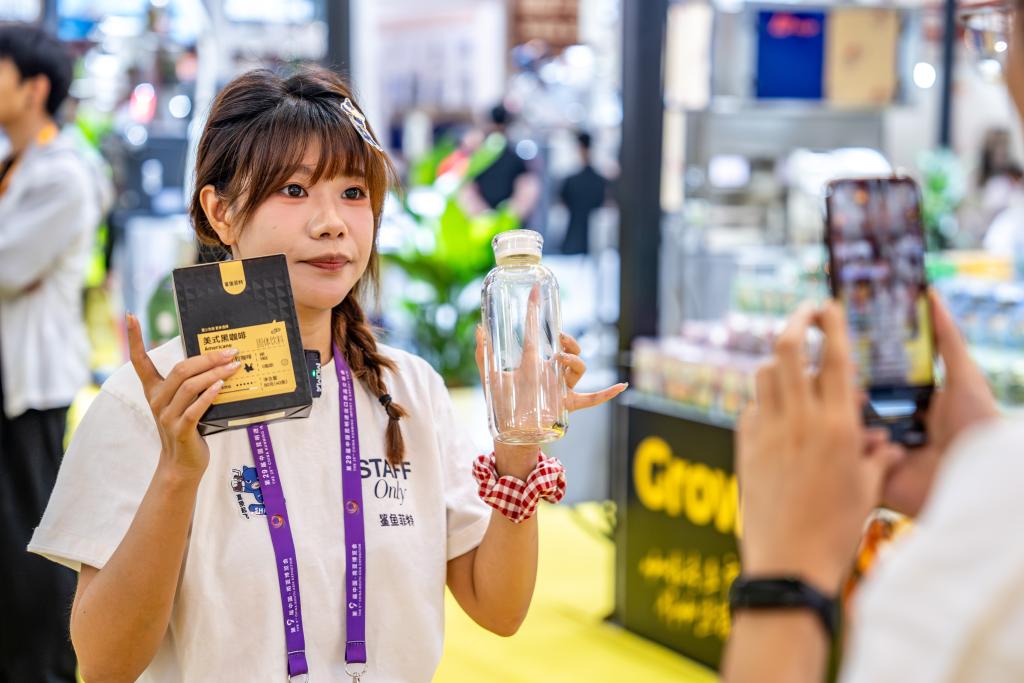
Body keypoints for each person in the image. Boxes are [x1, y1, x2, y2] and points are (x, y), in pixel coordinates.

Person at [28, 66, 626, 682]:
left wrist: (518, 446)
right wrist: (177, 475)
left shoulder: (408, 389)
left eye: (354, 192)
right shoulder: (152, 398)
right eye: (293, 190)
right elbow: (105, 664)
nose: (332, 222)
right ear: (220, 211)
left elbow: (498, 608)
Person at [0, 23, 103, 682]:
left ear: (34, 87)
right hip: (9, 378)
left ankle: (51, 666)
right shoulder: (15, 163)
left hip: (31, 385)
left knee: (33, 537)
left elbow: (8, 265)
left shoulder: (63, 173)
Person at [558, 131, 608, 256]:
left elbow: (562, 203)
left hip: (574, 241)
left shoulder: (571, 181)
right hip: (594, 242)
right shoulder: (600, 181)